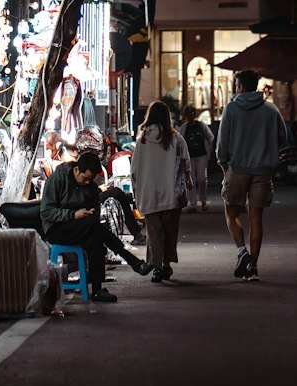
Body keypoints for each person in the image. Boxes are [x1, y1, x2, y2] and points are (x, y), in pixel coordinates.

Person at [40, 148, 153, 303]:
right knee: (95, 230)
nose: (88, 183)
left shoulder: (91, 187)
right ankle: (133, 262)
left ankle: (98, 290)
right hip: (56, 229)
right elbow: (46, 212)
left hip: (83, 228)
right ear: (77, 169)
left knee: (96, 238)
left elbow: (94, 216)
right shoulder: (57, 179)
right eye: (85, 179)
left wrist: (89, 213)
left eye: (91, 179)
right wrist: (73, 214)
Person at [215, 70, 286, 282]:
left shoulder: (231, 109)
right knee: (257, 219)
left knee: (231, 212)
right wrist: (265, 148)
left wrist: (223, 163)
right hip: (263, 171)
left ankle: (242, 251)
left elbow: (222, 144)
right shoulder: (271, 110)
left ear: (240, 87)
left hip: (236, 169)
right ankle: (253, 267)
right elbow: (282, 137)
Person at [132, 101, 190, 283]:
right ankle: (165, 264)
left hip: (149, 192)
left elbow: (134, 170)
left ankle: (157, 266)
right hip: (171, 192)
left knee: (154, 231)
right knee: (169, 230)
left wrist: (136, 191)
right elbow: (185, 163)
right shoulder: (176, 139)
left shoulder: (142, 140)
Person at [179, 105, 214, 212]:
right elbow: (180, 143)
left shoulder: (201, 125)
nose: (191, 116)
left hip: (201, 155)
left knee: (202, 179)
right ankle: (193, 204)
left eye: (192, 113)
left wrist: (210, 150)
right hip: (189, 157)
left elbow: (210, 137)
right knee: (191, 180)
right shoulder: (183, 128)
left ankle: (203, 200)